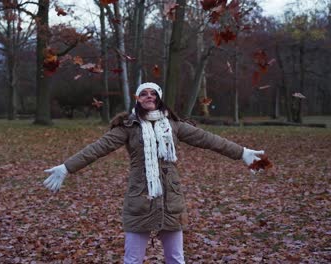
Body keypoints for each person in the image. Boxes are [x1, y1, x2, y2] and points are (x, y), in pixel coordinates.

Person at [43, 82, 265, 264]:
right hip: (140, 199)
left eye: (153, 93)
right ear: (137, 99)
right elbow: (97, 148)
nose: (148, 96)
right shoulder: (127, 126)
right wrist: (67, 167)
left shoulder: (173, 125)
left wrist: (242, 152)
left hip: (171, 200)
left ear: (159, 98)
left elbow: (209, 139)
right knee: (132, 259)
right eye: (143, 94)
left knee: (176, 260)